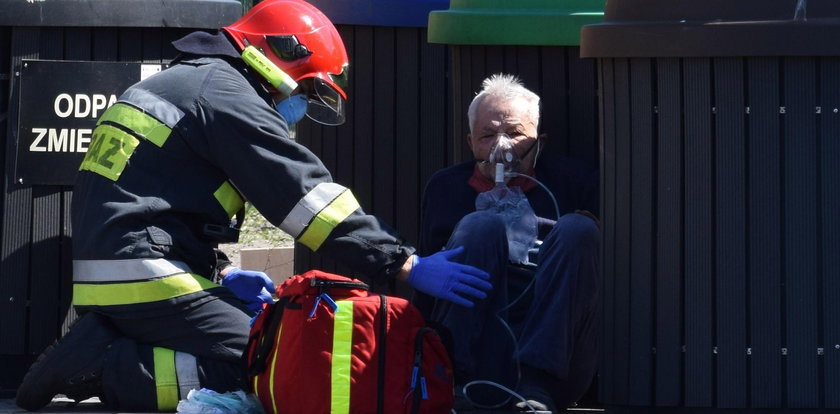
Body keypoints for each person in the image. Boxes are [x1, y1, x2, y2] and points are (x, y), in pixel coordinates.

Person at [14, 0, 491, 411]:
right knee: (278, 358)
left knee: (266, 345)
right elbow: (307, 200)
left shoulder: (187, 84)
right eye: (305, 89)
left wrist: (218, 276)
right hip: (145, 277)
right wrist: (403, 262)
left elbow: (163, 199)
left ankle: (111, 343)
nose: (301, 104)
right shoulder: (225, 96)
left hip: (126, 271)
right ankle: (105, 366)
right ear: (278, 57)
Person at [417, 74, 601, 413]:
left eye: (515, 134)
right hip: (476, 352)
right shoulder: (446, 187)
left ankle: (536, 383)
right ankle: (459, 380)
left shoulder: (573, 181)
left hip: (555, 359)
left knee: (578, 228)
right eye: (488, 135)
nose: (502, 146)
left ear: (539, 141)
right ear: (471, 142)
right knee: (482, 224)